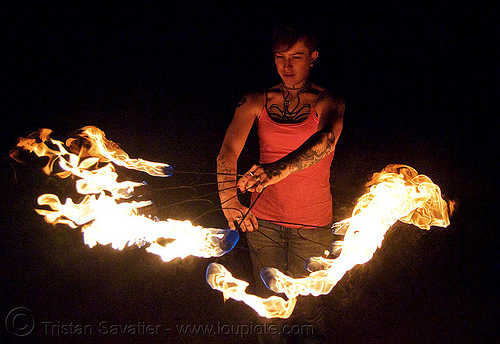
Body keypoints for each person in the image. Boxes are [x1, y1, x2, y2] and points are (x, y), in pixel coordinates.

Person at [217, 23, 344, 343]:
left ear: (313, 57)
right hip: (264, 223)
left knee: (308, 306)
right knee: (268, 302)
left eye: (296, 57)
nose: (287, 66)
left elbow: (326, 140)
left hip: (312, 224)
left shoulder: (328, 101)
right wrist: (229, 200)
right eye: (280, 57)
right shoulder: (255, 100)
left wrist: (277, 170)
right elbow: (228, 152)